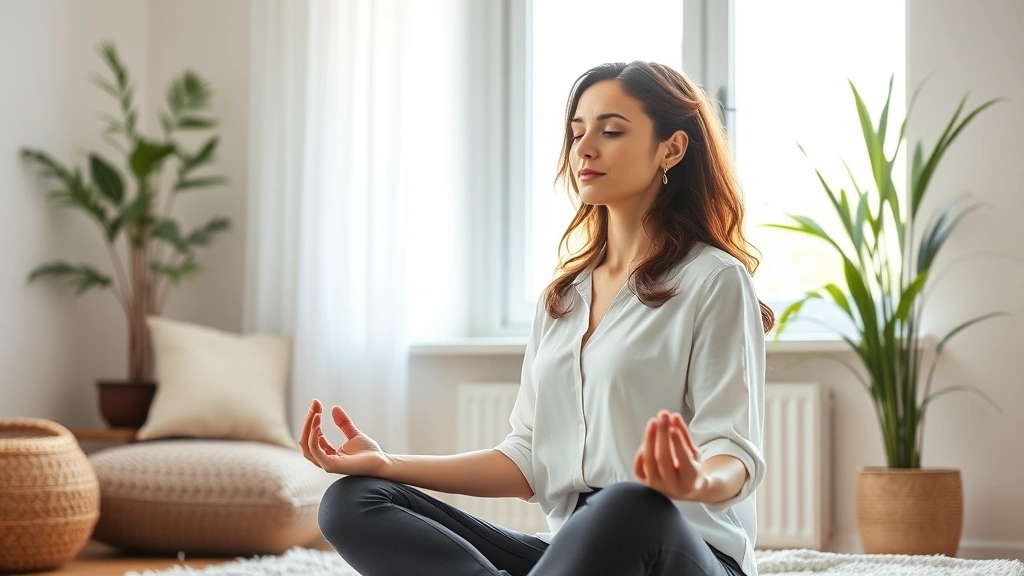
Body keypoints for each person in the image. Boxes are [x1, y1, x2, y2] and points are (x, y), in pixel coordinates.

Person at [301, 61, 774, 576]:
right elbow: (526, 457)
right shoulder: (564, 296)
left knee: (627, 505)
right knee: (353, 501)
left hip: (682, 553)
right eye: (576, 132)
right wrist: (388, 464)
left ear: (672, 148)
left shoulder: (714, 279)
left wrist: (695, 483)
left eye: (611, 130)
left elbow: (733, 453)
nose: (584, 148)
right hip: (574, 552)